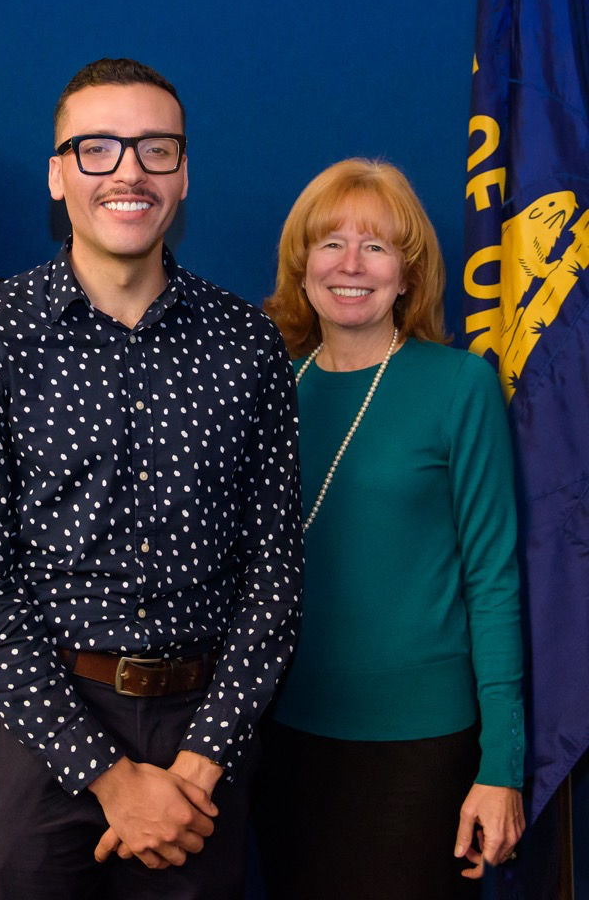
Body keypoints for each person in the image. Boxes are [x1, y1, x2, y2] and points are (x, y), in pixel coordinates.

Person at [0, 57, 303, 900]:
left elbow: (273, 576)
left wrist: (198, 768)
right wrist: (109, 779)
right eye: (97, 148)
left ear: (184, 174)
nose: (129, 171)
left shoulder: (248, 345)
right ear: (58, 177)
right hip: (41, 729)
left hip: (203, 737)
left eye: (155, 149)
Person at [255, 158, 525, 899]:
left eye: (376, 247)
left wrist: (501, 764)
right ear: (301, 265)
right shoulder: (273, 386)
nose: (350, 265)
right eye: (331, 243)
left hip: (421, 748)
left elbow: (494, 580)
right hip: (285, 735)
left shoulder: (458, 385)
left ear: (407, 275)